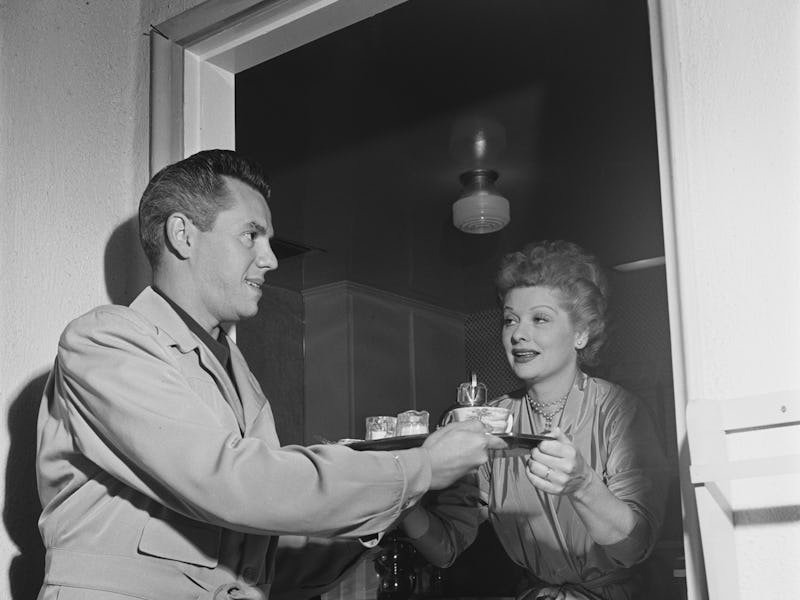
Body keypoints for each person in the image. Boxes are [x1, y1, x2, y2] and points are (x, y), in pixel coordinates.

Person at [35, 149, 506, 600]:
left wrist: (384, 493)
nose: (271, 258)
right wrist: (416, 468)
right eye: (250, 235)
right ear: (183, 235)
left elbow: (265, 549)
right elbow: (233, 484)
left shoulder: (240, 378)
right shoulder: (104, 342)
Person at [399, 240, 670, 600]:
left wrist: (583, 486)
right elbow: (446, 547)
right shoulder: (488, 422)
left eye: (539, 318)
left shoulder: (620, 411)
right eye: (510, 319)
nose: (517, 333)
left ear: (581, 333)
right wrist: (401, 498)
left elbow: (634, 546)